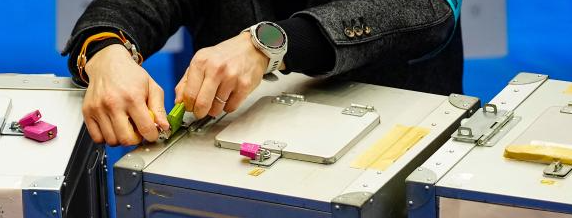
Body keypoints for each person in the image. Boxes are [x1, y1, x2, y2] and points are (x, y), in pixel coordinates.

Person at [65, 1, 463, 147]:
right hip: (236, 157)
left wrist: (269, 44)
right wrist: (106, 52)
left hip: (387, 151)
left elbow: (431, 9)